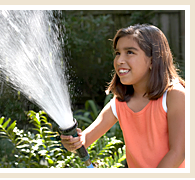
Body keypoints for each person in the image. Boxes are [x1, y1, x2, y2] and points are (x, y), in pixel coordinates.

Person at [60, 24, 185, 168]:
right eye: (118, 53)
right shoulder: (120, 102)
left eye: (130, 52)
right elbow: (84, 141)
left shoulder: (174, 95)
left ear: (153, 59)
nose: (119, 60)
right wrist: (73, 143)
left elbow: (179, 152)